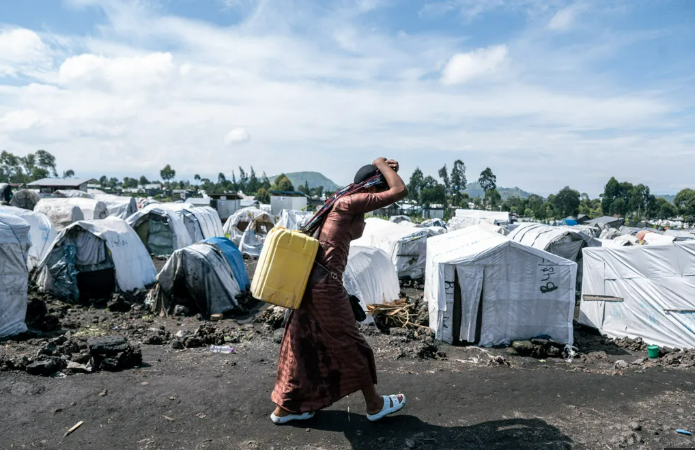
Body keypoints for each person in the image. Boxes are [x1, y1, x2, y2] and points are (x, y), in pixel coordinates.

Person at [270, 157, 409, 425]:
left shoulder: (345, 201)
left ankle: (285, 409)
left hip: (313, 281)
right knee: (352, 343)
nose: (380, 196)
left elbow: (390, 189)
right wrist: (380, 163)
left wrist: (384, 171)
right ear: (370, 188)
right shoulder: (349, 202)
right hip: (325, 285)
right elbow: (399, 191)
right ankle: (375, 404)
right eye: (377, 190)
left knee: (301, 342)